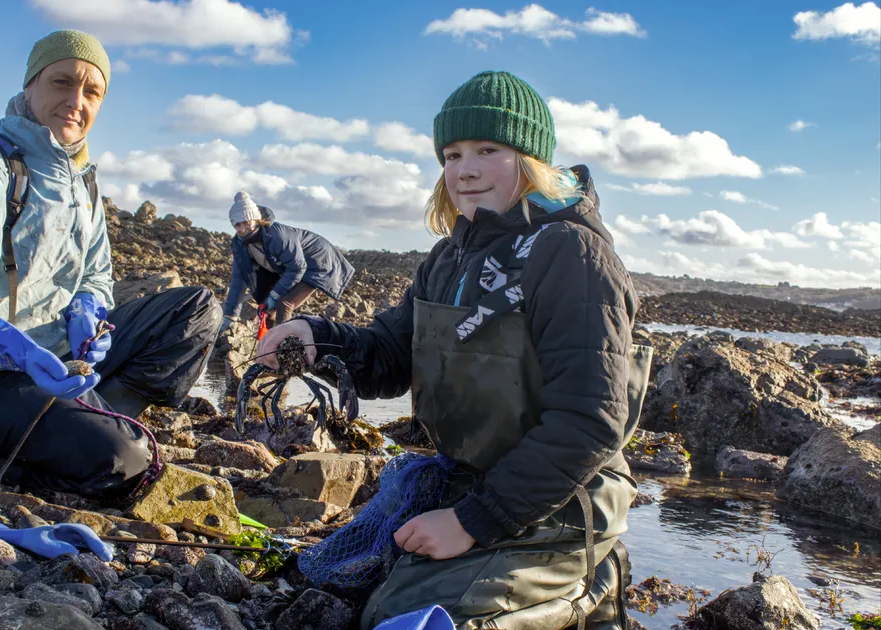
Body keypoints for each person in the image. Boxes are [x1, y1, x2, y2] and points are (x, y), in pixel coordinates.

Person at [256, 71, 652, 630]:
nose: (465, 169)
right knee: (340, 587)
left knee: (408, 616)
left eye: (489, 150)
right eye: (452, 153)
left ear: (531, 158)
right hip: (471, 479)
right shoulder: (447, 258)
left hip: (562, 499)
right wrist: (316, 340)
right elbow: (390, 354)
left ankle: (591, 581)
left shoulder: (572, 254)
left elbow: (590, 422)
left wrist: (472, 521)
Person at [0, 30, 221, 499]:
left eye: (92, 92)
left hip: (59, 362)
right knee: (127, 464)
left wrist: (88, 312)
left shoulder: (83, 183)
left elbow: (98, 275)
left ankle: (96, 417)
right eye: (62, 82)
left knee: (197, 310)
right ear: (30, 85)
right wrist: (16, 349)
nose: (76, 101)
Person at [219, 191, 355, 334]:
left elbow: (297, 268)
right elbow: (239, 279)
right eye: (237, 225)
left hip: (318, 262)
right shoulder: (240, 245)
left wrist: (274, 296)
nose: (241, 229)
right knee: (268, 310)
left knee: (284, 304)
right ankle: (268, 348)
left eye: (246, 222)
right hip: (292, 267)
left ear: (256, 219)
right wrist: (230, 315)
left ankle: (282, 348)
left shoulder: (277, 235)